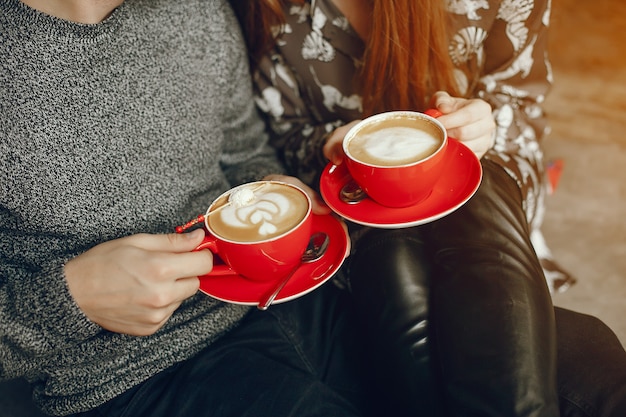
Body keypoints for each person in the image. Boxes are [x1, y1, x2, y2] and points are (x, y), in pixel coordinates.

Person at [230, 0, 626, 416]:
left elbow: (522, 107)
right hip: (352, 205)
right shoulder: (265, 8)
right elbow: (276, 134)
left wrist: (488, 125)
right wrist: (328, 148)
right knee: (592, 358)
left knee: (476, 187)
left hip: (493, 182)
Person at [0, 1, 378, 416]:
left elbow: (245, 151)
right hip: (132, 375)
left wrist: (269, 184)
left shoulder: (198, 10)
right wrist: (73, 299)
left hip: (286, 299)